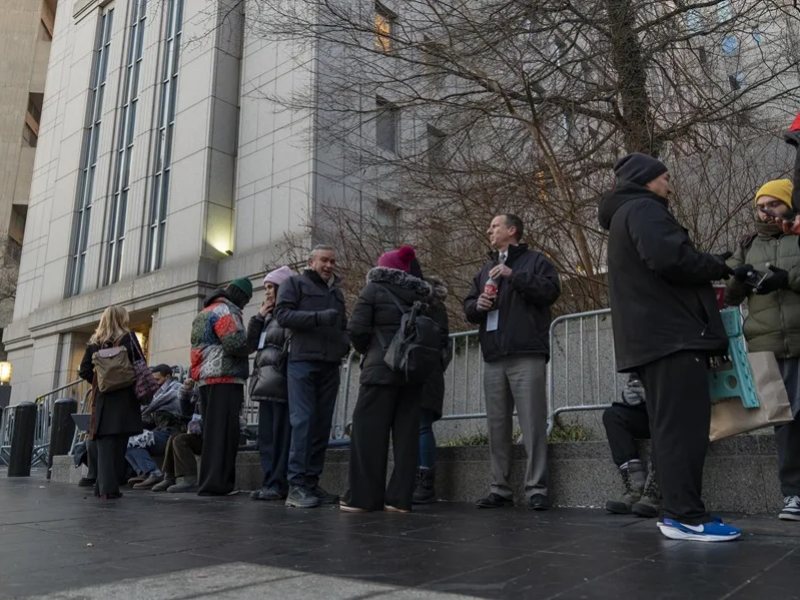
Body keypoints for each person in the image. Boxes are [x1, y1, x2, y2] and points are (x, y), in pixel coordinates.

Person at [598, 152, 741, 542]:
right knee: (684, 431)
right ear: (647, 181)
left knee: (671, 430)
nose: (669, 186)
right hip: (672, 338)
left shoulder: (626, 215)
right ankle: (687, 516)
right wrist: (714, 264)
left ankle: (679, 514)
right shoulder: (644, 209)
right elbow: (669, 258)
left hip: (656, 339)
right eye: (664, 179)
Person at [341, 246, 449, 512]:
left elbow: (356, 329)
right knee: (406, 437)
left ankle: (364, 498)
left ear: (383, 268)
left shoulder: (374, 290)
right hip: (411, 375)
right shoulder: (423, 297)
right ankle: (400, 499)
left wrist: (369, 350)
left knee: (367, 434)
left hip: (379, 372)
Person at [464, 214, 560, 510]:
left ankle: (536, 489)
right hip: (494, 356)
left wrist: (513, 275)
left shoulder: (536, 261)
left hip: (526, 353)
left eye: (494, 226)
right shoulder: (484, 270)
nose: (488, 230)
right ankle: (500, 489)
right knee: (497, 426)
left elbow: (550, 292)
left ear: (512, 230)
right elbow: (468, 306)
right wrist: (477, 306)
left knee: (532, 423)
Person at [725, 178, 800, 521]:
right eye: (761, 205)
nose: (767, 211)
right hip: (768, 345)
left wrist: (788, 280)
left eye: (774, 204)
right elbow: (731, 294)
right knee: (785, 422)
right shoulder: (748, 244)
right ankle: (793, 495)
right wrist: (739, 277)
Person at [275, 245, 350, 508]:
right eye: (324, 260)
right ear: (311, 261)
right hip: (302, 361)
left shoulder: (336, 293)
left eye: (332, 261)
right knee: (303, 421)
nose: (329, 265)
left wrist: (345, 343)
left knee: (321, 424)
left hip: (330, 363)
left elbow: (342, 324)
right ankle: (295, 486)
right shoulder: (294, 284)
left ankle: (310, 482)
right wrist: (318, 317)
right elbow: (282, 315)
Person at [190, 277, 252, 496]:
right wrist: (252, 334)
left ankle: (209, 482)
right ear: (240, 296)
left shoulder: (204, 311)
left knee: (212, 434)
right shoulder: (224, 311)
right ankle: (217, 484)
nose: (244, 305)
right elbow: (235, 344)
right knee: (224, 434)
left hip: (206, 379)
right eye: (245, 300)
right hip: (224, 378)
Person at [78, 306, 144, 500]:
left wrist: (100, 382)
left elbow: (83, 370)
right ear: (122, 319)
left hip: (103, 398)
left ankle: (103, 487)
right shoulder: (129, 338)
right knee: (119, 444)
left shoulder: (94, 342)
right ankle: (109, 489)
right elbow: (140, 363)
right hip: (125, 397)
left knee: (105, 444)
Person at [247, 266, 293, 501]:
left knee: (279, 438)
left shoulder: (287, 314)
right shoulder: (267, 317)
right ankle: (269, 481)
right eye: (265, 288)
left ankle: (277, 482)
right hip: (265, 383)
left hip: (280, 382)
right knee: (265, 438)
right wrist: (258, 318)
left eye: (270, 288)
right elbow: (250, 345)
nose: (266, 293)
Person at [412, 269, 451, 504]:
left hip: (423, 371)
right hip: (428, 370)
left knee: (421, 426)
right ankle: (421, 479)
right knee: (420, 427)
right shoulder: (437, 306)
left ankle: (424, 480)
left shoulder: (427, 306)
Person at [602, 374, 660, 517]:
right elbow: (634, 382)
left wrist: (653, 395)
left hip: (670, 410)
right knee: (612, 415)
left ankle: (656, 487)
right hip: (648, 411)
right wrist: (629, 394)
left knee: (667, 417)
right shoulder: (643, 353)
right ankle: (635, 485)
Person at [126, 364, 183, 489]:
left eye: (157, 380)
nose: (155, 384)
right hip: (160, 431)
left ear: (168, 377)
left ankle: (154, 473)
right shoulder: (157, 393)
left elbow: (152, 405)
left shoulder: (176, 388)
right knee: (126, 441)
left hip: (171, 433)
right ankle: (145, 473)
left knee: (132, 441)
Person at [152, 378, 204, 493]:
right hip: (198, 433)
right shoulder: (197, 393)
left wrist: (199, 425)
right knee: (173, 438)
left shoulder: (209, 392)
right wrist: (186, 392)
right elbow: (186, 413)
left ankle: (190, 479)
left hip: (210, 435)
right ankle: (169, 476)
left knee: (180, 440)